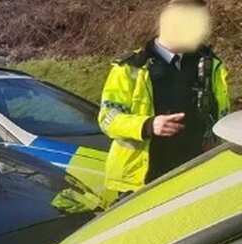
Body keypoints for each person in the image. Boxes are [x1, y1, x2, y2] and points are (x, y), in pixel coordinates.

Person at [99, 0, 231, 196]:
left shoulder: (210, 65)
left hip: (194, 174)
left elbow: (221, 114)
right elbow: (107, 119)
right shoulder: (131, 68)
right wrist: (148, 125)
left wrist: (215, 139)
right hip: (142, 180)